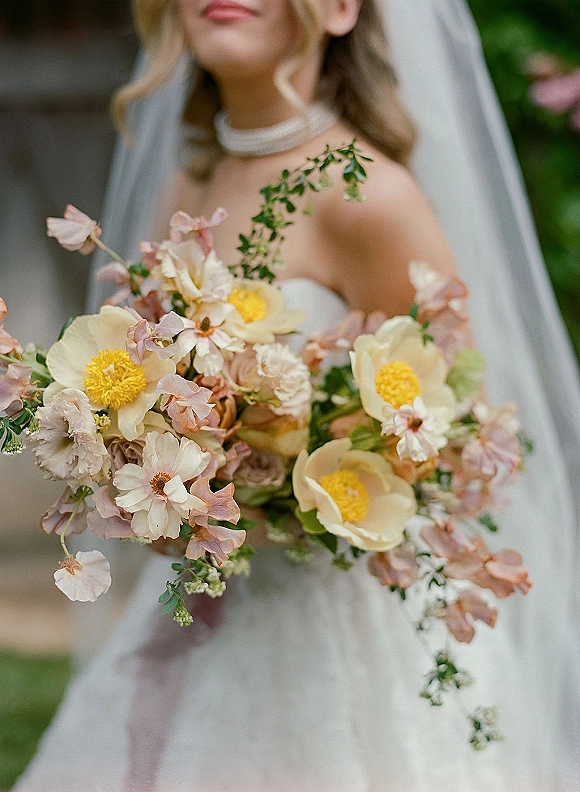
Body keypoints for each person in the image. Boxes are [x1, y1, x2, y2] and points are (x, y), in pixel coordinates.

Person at [13, 0, 580, 790]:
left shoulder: (370, 195)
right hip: (207, 598)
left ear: (342, 8)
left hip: (337, 627)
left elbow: (448, 432)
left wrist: (287, 490)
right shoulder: (192, 175)